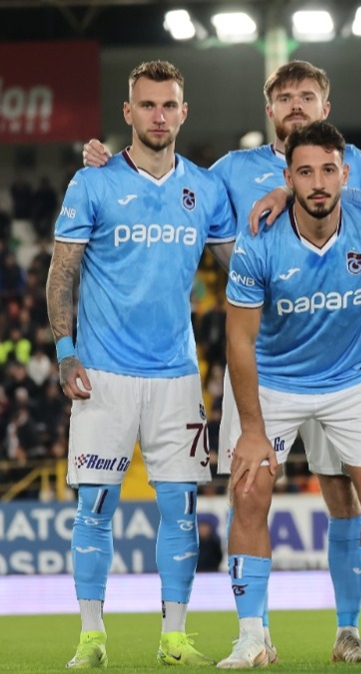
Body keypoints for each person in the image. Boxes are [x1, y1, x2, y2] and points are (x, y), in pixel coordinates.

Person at [82, 60, 361, 663]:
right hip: (263, 365)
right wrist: (108, 166)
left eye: (307, 96)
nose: (296, 105)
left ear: (325, 107)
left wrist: (290, 190)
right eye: (284, 97)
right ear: (268, 109)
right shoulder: (227, 172)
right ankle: (256, 635)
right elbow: (167, 182)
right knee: (248, 494)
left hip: (340, 362)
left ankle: (350, 631)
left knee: (346, 496)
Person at [48, 60, 236, 668]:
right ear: (128, 112)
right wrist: (64, 351)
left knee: (181, 507)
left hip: (176, 375)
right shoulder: (93, 182)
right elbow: (62, 272)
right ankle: (91, 636)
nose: (159, 115)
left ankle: (174, 636)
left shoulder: (206, 189)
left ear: (184, 112)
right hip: (102, 373)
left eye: (169, 104)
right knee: (95, 506)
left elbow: (240, 267)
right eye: (148, 105)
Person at [217, 121, 361, 668]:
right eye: (305, 172)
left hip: (351, 380)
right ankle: (252, 638)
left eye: (328, 170)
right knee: (249, 491)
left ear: (345, 174)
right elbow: (238, 340)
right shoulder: (258, 240)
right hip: (274, 380)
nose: (318, 182)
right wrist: (252, 430)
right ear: (288, 178)